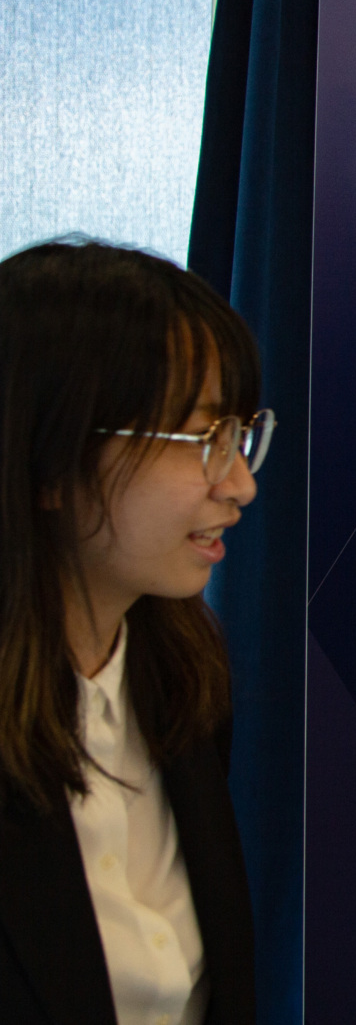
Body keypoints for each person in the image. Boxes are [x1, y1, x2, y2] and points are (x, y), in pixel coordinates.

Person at [0, 239, 269, 1025]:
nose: (241, 482)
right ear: (51, 460)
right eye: (202, 439)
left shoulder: (185, 679)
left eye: (242, 434)